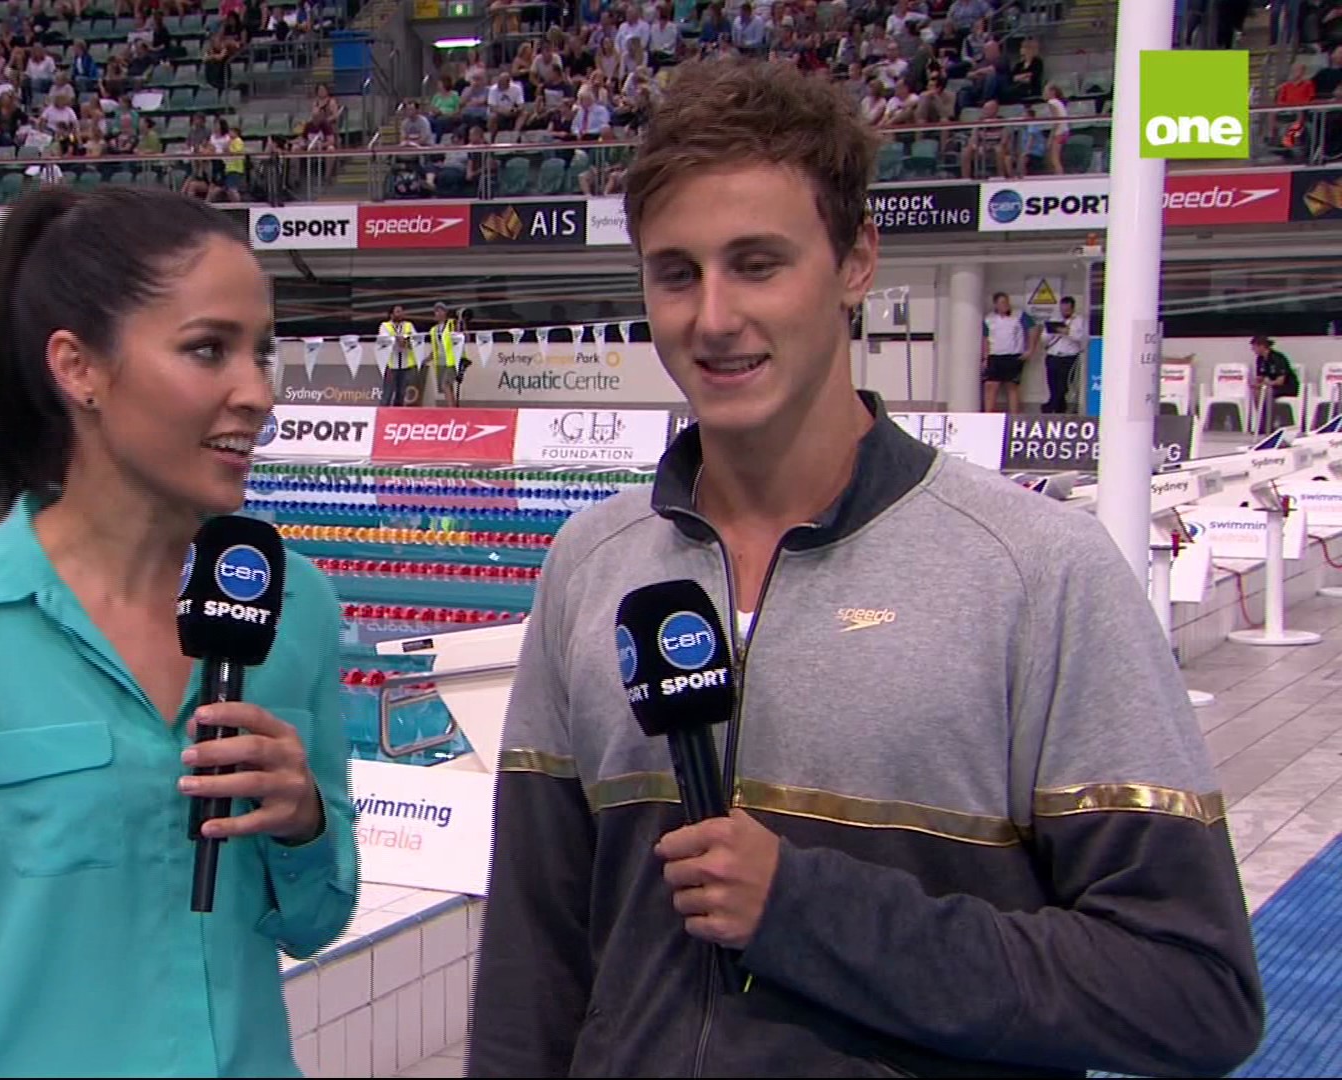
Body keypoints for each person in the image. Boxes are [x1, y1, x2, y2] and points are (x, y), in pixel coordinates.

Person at [468, 57, 1263, 1079]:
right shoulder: (590, 566)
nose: (713, 317)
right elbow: (533, 963)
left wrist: (807, 910)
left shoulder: (1036, 574)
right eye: (677, 273)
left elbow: (1194, 991)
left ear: (856, 262)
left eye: (758, 264)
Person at [0, 185, 360, 1078]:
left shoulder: (294, 606)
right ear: (79, 367)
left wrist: (303, 822)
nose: (257, 393)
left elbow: (317, 919)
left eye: (262, 352)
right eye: (208, 349)